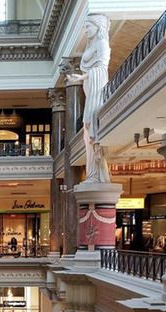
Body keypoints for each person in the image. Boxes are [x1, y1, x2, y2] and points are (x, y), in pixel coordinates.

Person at [70, 14, 112, 184]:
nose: (86, 30)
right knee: (88, 135)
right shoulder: (92, 44)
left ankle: (97, 173)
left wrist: (80, 78)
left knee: (92, 131)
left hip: (96, 92)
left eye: (88, 27)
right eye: (85, 27)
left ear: (98, 26)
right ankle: (93, 173)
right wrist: (82, 79)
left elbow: (102, 69)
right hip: (89, 91)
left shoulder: (102, 43)